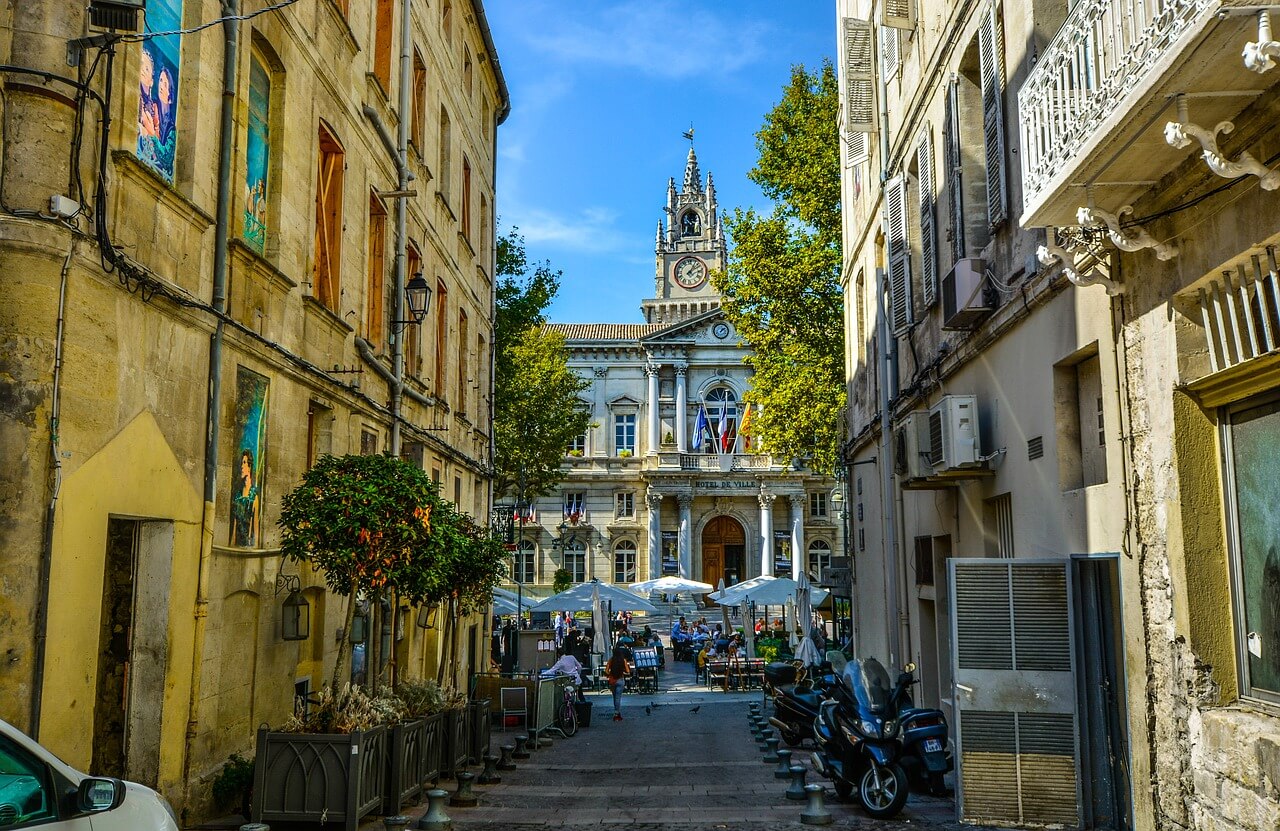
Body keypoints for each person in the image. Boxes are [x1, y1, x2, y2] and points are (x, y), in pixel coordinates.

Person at [230, 448, 259, 546]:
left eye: (244, 463)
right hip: (237, 545)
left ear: (249, 466)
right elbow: (234, 525)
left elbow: (256, 528)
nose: (242, 466)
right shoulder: (238, 495)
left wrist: (255, 548)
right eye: (241, 463)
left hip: (248, 545)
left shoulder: (253, 496)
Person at [605, 647, 632, 721]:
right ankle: (617, 713)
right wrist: (623, 672)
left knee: (614, 697)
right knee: (618, 697)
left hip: (613, 680)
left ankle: (616, 711)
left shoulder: (611, 660)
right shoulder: (623, 660)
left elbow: (606, 671)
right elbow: (628, 671)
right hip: (620, 680)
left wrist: (610, 673)